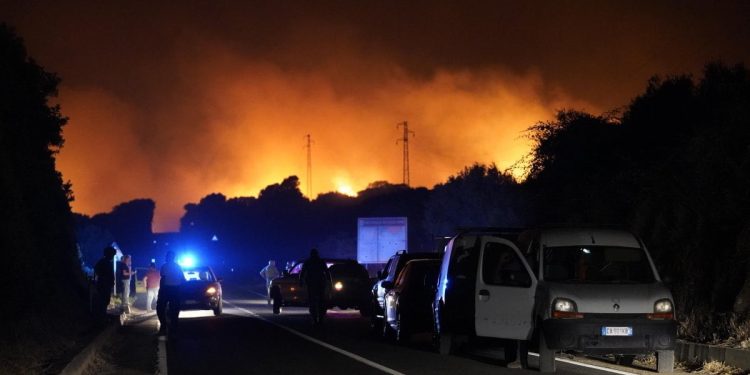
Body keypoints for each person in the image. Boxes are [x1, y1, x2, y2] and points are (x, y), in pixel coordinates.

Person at [299, 248, 330, 325]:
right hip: (320, 283)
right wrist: (329, 281)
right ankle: (320, 318)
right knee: (321, 301)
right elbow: (327, 272)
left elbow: (302, 273)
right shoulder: (321, 261)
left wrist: (301, 281)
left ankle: (315, 318)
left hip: (312, 284)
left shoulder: (308, 262)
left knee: (313, 301)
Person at [157, 251, 184, 336]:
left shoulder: (165, 266)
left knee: (160, 308)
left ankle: (164, 326)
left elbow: (163, 278)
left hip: (166, 289)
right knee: (175, 310)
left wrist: (161, 291)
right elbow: (183, 279)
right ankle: (174, 327)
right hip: (176, 290)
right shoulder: (178, 267)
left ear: (168, 257)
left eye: (166, 256)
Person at [93, 246, 117, 321]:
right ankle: (101, 316)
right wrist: (104, 278)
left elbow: (97, 269)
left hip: (105, 284)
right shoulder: (104, 262)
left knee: (106, 300)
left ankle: (103, 315)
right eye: (112, 255)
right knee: (103, 300)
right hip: (104, 284)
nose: (113, 257)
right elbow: (97, 270)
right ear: (109, 254)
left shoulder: (105, 262)